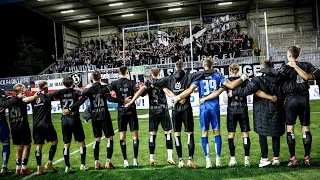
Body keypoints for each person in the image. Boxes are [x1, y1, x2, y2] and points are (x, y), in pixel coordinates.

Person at [171, 59, 248, 168]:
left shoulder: (199, 76)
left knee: (204, 133)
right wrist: (243, 77)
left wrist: (177, 97)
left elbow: (189, 90)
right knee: (216, 132)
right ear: (212, 65)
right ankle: (218, 159)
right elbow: (231, 85)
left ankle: (208, 161)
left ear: (203, 66)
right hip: (215, 107)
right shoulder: (217, 75)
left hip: (204, 108)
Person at [152, 60, 216, 169]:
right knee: (189, 134)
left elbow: (154, 82)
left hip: (175, 109)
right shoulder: (189, 76)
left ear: (174, 67)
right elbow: (209, 72)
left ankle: (180, 160)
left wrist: (174, 97)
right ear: (184, 67)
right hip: (186, 108)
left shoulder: (169, 78)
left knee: (177, 134)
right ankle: (190, 159)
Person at [229, 60, 285, 167]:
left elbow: (247, 90)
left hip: (261, 109)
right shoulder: (279, 77)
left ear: (261, 67)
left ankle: (264, 158)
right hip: (277, 108)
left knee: (262, 134)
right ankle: (276, 158)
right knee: (275, 133)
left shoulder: (258, 78)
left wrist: (234, 92)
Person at [74, 70, 127, 170]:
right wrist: (123, 100)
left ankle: (96, 162)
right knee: (110, 138)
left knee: (97, 139)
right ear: (100, 77)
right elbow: (111, 99)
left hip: (95, 117)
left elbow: (81, 99)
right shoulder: (104, 88)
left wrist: (70, 108)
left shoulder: (88, 90)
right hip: (104, 116)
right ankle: (108, 162)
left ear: (92, 78)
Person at [125, 68, 175, 166]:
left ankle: (151, 159)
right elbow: (167, 91)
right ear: (159, 73)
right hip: (163, 109)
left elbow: (140, 92)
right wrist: (176, 98)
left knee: (152, 135)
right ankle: (170, 157)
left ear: (151, 74)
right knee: (168, 134)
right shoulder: (163, 81)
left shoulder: (148, 83)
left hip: (153, 110)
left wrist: (131, 102)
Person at [279, 46, 317, 166]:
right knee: (305, 128)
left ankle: (293, 158)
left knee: (290, 128)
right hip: (304, 99)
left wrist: (294, 66)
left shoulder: (285, 67)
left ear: (290, 56)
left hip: (290, 100)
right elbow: (310, 76)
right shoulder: (306, 65)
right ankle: (307, 158)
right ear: (298, 55)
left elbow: (277, 79)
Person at [48, 77, 88, 173]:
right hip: (74, 119)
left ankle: (67, 166)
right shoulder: (75, 92)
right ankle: (82, 165)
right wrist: (72, 107)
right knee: (81, 142)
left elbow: (49, 96)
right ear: (73, 83)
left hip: (64, 120)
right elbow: (85, 96)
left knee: (66, 144)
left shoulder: (60, 92)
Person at [23, 81, 59, 175]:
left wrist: (36, 94)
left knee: (38, 146)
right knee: (54, 142)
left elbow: (25, 100)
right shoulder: (47, 96)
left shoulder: (34, 97)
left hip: (36, 125)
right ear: (45, 88)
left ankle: (39, 168)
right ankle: (49, 163)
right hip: (46, 125)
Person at [109, 66, 140, 168]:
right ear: (127, 72)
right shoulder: (132, 82)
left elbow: (107, 96)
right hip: (131, 110)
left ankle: (125, 161)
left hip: (121, 111)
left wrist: (121, 100)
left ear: (119, 72)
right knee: (135, 136)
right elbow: (140, 92)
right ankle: (135, 160)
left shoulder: (114, 83)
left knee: (122, 136)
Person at [8, 84, 33, 175]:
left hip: (14, 126)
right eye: (23, 88)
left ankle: (17, 169)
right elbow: (29, 100)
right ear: (21, 90)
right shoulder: (23, 97)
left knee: (19, 147)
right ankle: (24, 168)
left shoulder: (10, 100)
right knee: (27, 145)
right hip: (23, 125)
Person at [0, 89, 24, 175]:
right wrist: (17, 97)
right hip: (1, 123)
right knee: (5, 143)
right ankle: (4, 166)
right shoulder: (1, 92)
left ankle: (4, 166)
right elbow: (4, 104)